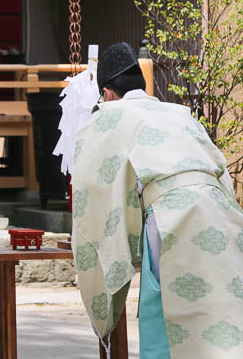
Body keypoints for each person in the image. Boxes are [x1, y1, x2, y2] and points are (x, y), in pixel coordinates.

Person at [71, 42, 243, 359]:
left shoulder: (109, 117)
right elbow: (219, 170)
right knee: (224, 316)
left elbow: (91, 193)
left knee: (167, 313)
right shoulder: (180, 114)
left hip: (170, 216)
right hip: (222, 213)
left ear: (107, 93)